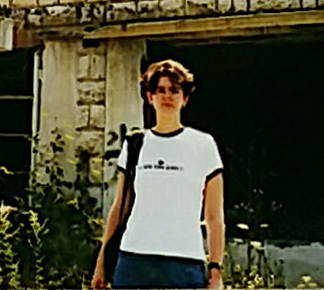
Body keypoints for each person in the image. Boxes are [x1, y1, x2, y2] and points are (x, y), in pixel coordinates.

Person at [91, 59, 225, 289]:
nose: (167, 97)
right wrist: (101, 263)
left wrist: (215, 270)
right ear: (150, 97)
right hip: (134, 260)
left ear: (185, 98)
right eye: (160, 90)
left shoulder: (203, 145)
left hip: (184, 264)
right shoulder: (135, 144)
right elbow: (119, 208)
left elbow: (214, 217)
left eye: (174, 90)